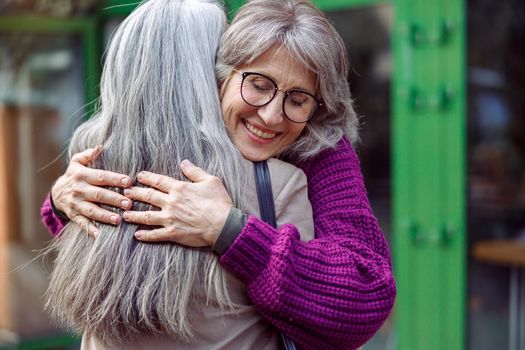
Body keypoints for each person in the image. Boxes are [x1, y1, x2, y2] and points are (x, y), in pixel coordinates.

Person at [41, 0, 396, 349]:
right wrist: (62, 201)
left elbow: (363, 299)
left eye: (298, 99)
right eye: (258, 84)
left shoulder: (320, 150)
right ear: (217, 77)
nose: (272, 116)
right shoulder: (180, 134)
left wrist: (230, 231)